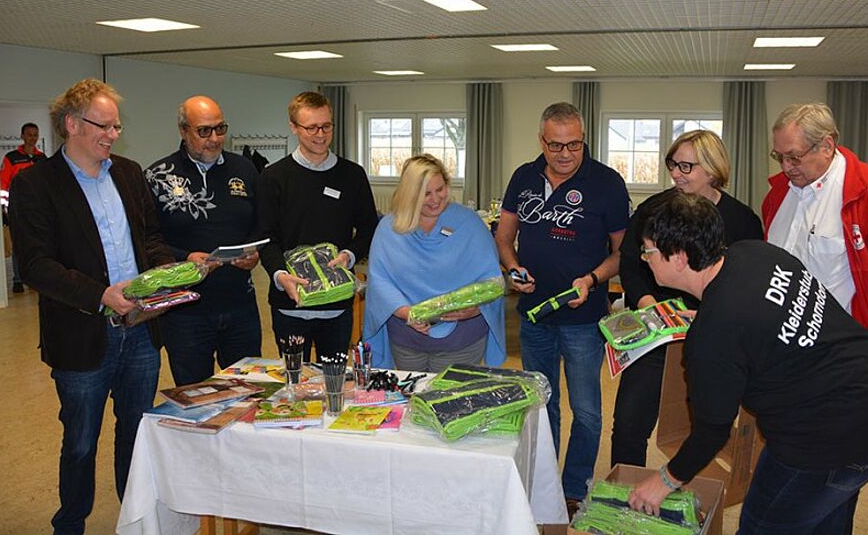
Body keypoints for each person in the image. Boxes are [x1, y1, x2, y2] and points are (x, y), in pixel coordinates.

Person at [627, 192, 868, 534]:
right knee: (826, 511)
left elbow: (712, 430)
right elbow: (759, 316)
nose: (644, 259)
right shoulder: (756, 253)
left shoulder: (714, 335)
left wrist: (665, 480)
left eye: (648, 251)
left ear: (678, 256)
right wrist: (710, 319)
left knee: (762, 525)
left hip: (829, 434)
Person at [8, 79, 173, 535]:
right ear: (71, 124)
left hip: (140, 330)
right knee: (80, 441)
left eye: (117, 126)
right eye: (104, 126)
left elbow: (150, 238)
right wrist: (100, 294)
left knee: (135, 434)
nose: (113, 135)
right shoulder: (34, 184)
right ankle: (70, 524)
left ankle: (135, 519)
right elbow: (36, 265)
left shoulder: (129, 173)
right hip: (81, 335)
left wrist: (167, 271)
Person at [495, 101, 630, 507]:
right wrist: (513, 269)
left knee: (586, 410)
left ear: (583, 139)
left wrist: (591, 279)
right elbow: (504, 238)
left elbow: (622, 253)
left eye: (574, 144)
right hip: (535, 316)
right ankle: (544, 485)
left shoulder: (607, 183)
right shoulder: (523, 176)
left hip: (583, 319)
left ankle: (573, 490)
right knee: (542, 405)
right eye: (556, 145)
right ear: (542, 141)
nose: (566, 154)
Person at [611, 130, 762, 467]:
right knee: (629, 425)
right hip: (655, 335)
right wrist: (647, 303)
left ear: (712, 168)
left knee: (704, 428)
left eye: (686, 166)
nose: (675, 174)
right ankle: (623, 492)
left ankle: (693, 491)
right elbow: (630, 263)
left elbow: (745, 281)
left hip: (712, 340)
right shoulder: (653, 209)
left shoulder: (742, 220)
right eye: (672, 164)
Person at [762, 102, 868, 362]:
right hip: (783, 349)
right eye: (779, 156)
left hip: (844, 353)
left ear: (827, 146)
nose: (785, 166)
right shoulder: (778, 194)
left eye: (794, 157)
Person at [144, 95, 261, 385]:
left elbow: (260, 224)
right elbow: (146, 239)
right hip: (186, 311)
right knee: (195, 394)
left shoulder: (244, 169)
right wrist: (185, 257)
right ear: (183, 131)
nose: (214, 138)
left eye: (220, 129)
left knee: (251, 390)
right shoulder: (158, 176)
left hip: (240, 304)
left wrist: (253, 251)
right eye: (204, 131)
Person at [258, 91, 378, 361]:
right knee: (294, 380)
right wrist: (280, 275)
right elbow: (265, 237)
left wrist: (349, 256)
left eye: (326, 126)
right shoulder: (273, 177)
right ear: (293, 127)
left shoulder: (352, 174)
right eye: (311, 127)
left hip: (336, 306)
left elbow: (369, 228)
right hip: (290, 304)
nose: (320, 134)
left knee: (335, 379)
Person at [363, 154, 506, 371]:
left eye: (440, 189)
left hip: (462, 339)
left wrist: (476, 308)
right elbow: (379, 281)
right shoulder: (389, 229)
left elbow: (492, 280)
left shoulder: (470, 224)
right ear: (410, 194)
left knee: (452, 391)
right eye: (426, 194)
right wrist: (406, 313)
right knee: (411, 390)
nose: (436, 199)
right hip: (406, 339)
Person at [0, 121, 46, 293]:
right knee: (19, 245)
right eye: (29, 135)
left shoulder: (42, 159)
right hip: (17, 209)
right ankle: (18, 279)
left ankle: (36, 279)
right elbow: (3, 184)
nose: (32, 138)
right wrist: (5, 208)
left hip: (39, 210)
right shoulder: (11, 158)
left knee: (38, 245)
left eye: (35, 135)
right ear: (22, 136)